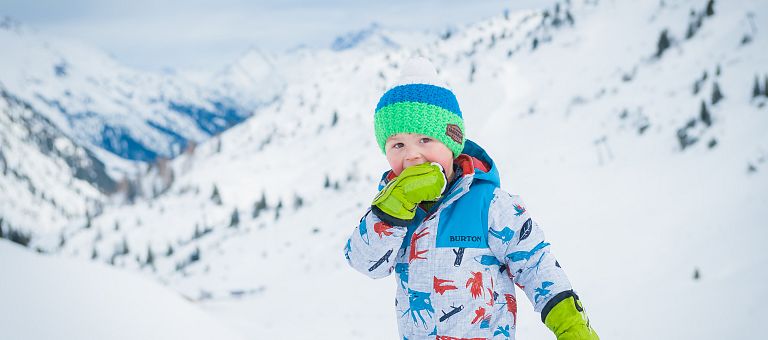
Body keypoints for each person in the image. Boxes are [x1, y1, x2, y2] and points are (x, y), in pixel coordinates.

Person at [344, 57, 599, 340]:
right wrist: (393, 206)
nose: (412, 155)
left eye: (425, 140)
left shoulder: (488, 204)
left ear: (452, 143)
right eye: (398, 145)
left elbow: (535, 264)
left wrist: (570, 324)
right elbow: (365, 262)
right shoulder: (394, 211)